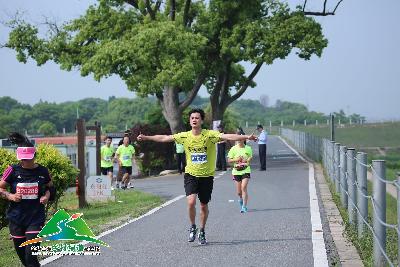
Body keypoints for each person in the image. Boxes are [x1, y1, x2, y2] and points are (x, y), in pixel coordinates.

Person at [137, 108, 257, 245]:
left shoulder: (209, 135)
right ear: (189, 121)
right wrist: (147, 137)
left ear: (201, 120)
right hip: (191, 174)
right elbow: (165, 138)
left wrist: (246, 137)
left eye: (197, 118)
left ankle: (202, 230)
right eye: (192, 118)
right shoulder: (185, 136)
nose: (194, 120)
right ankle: (193, 226)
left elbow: (228, 136)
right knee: (191, 202)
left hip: (206, 176)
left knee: (203, 206)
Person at [0, 132, 55, 267]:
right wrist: (10, 196)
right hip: (16, 218)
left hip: (35, 218)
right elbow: (0, 188)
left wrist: (46, 196)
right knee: (24, 258)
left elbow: (51, 188)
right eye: (22, 159)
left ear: (34, 156)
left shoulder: (43, 171)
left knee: (31, 255)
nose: (24, 161)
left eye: (28, 158)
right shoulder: (12, 170)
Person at [227, 132, 253, 213]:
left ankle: (244, 207)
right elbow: (229, 160)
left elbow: (250, 158)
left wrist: (247, 160)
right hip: (236, 171)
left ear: (244, 139)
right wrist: (236, 159)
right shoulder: (233, 149)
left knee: (244, 187)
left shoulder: (248, 148)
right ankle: (241, 200)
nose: (238, 140)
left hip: (246, 170)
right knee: (239, 192)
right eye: (237, 138)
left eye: (240, 138)